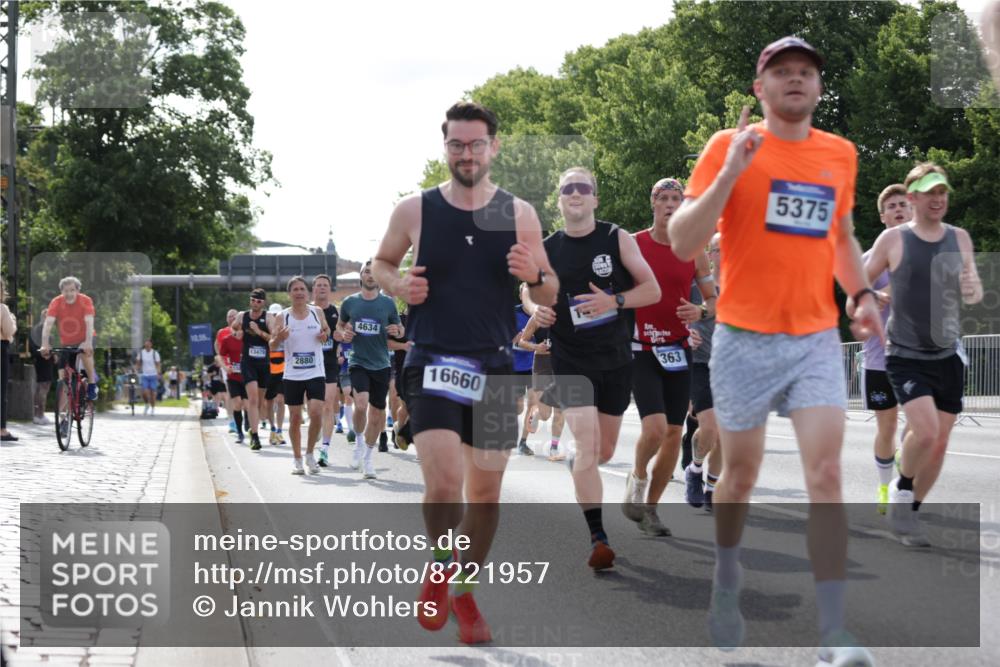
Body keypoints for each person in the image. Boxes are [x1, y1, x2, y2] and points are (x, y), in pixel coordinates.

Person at [668, 36, 881, 663]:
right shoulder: (727, 147)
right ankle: (727, 578)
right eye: (781, 72)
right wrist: (732, 169)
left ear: (819, 88)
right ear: (760, 89)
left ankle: (834, 632)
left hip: (816, 336)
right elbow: (684, 241)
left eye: (807, 72)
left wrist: (862, 292)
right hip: (742, 337)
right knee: (740, 475)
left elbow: (840, 234)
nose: (795, 80)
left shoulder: (840, 154)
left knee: (827, 474)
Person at [372, 101, 557, 644]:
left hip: (495, 364)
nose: (467, 153)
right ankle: (438, 564)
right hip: (432, 358)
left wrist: (537, 274)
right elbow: (382, 263)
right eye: (457, 144)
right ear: (445, 147)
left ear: (494, 147)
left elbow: (548, 290)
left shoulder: (519, 213)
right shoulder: (416, 210)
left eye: (477, 144)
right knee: (445, 481)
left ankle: (466, 591)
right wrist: (398, 285)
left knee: (486, 495)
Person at [524, 166, 660, 568]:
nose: (576, 194)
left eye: (584, 188)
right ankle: (598, 537)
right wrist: (537, 310)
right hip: (570, 357)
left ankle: (577, 462)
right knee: (585, 442)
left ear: (595, 198)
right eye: (568, 188)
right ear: (560, 199)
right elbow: (527, 291)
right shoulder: (547, 248)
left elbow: (651, 289)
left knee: (602, 451)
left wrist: (614, 302)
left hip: (616, 358)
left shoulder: (616, 237)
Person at [863, 163, 982, 547]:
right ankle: (900, 488)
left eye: (942, 191)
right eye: (929, 192)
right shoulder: (893, 240)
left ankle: (910, 511)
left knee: (939, 442)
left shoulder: (959, 237)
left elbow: (974, 293)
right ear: (912, 197)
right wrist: (866, 301)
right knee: (925, 430)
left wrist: (970, 286)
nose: (938, 199)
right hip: (904, 353)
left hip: (947, 353)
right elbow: (858, 283)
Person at [623, 177, 715, 536]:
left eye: (677, 198)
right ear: (654, 203)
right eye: (664, 198)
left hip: (677, 349)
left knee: (675, 432)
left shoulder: (694, 249)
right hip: (640, 347)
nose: (671, 204)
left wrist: (700, 312)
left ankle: (651, 510)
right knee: (655, 427)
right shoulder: (632, 244)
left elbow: (712, 301)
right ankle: (638, 476)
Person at [848, 184, 912, 514]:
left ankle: (905, 484)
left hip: (919, 357)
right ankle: (884, 485)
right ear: (883, 215)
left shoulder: (928, 253)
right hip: (880, 360)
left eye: (904, 203)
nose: (900, 209)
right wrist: (870, 298)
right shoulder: (869, 259)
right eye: (893, 206)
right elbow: (849, 306)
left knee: (918, 425)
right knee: (886, 427)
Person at [337, 261, 403, 479]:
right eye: (367, 271)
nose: (370, 274)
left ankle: (367, 457)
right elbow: (339, 327)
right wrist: (343, 333)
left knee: (377, 414)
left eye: (374, 271)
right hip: (358, 361)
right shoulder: (350, 302)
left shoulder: (388, 304)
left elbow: (399, 329)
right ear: (362, 276)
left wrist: (398, 330)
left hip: (381, 363)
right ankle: (357, 441)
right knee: (361, 403)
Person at [270, 276, 331, 475]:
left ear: (307, 293)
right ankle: (297, 458)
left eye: (302, 289)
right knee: (295, 418)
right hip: (293, 375)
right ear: (290, 294)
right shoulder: (283, 317)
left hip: (316, 371)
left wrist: (325, 335)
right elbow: (272, 345)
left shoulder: (317, 312)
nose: (299, 292)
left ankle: (310, 454)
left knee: (316, 413)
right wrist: (279, 337)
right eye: (295, 289)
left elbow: (326, 330)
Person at [683, 233, 724, 512]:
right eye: (721, 250)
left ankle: (711, 488)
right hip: (700, 363)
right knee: (708, 427)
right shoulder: (695, 285)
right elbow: (673, 313)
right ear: (709, 254)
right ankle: (694, 470)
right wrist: (685, 333)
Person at [514, 306, 566, 460]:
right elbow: (522, 341)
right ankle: (536, 414)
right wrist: (536, 346)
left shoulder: (567, 316)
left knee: (559, 410)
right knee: (545, 414)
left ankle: (554, 448)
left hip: (563, 364)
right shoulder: (538, 316)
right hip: (542, 364)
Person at [39, 276, 99, 401]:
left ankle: (92, 384)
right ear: (61, 291)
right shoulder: (56, 302)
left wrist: (88, 342)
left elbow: (89, 322)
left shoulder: (86, 300)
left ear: (78, 290)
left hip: (86, 337)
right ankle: (66, 412)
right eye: (66, 291)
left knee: (84, 352)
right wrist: (44, 344)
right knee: (65, 374)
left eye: (72, 290)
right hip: (68, 341)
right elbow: (48, 324)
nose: (69, 294)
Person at [231, 288, 272, 451]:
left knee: (260, 403)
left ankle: (253, 428)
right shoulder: (242, 315)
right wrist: (237, 332)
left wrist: (259, 331)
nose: (255, 303)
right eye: (253, 300)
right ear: (250, 301)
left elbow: (273, 338)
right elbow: (233, 327)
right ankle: (255, 436)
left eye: (259, 301)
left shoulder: (268, 317)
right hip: (248, 362)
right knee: (253, 399)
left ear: (263, 303)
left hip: (264, 363)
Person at [311, 274, 342, 466]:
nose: (322, 288)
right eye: (319, 285)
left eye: (325, 285)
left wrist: (340, 338)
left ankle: (325, 448)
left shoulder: (336, 312)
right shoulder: (306, 312)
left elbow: (343, 334)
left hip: (329, 363)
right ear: (313, 289)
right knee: (315, 408)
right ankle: (316, 431)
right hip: (309, 364)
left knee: (329, 404)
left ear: (329, 289)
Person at [512, 301, 536, 456]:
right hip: (516, 366)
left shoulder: (541, 314)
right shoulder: (514, 313)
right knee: (518, 408)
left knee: (533, 404)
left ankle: (523, 442)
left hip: (534, 366)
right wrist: (517, 339)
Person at [219, 325, 247, 444]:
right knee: (237, 403)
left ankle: (248, 420)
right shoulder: (227, 340)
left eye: (241, 329)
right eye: (235, 330)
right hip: (233, 377)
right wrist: (225, 367)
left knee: (247, 405)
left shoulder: (249, 339)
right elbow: (220, 356)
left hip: (248, 377)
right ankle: (239, 432)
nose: (238, 332)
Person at [265, 303, 287, 445]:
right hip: (269, 368)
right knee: (269, 400)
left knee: (281, 400)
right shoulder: (266, 329)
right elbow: (269, 343)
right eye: (273, 315)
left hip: (283, 368)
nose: (275, 317)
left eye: (277, 315)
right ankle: (272, 429)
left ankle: (279, 430)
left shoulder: (286, 328)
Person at [30, 308, 55, 425]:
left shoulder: (49, 331)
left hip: (48, 363)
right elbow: (33, 348)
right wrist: (42, 353)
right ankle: (38, 415)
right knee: (41, 389)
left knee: (45, 388)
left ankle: (41, 414)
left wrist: (54, 354)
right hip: (41, 362)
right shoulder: (37, 330)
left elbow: (52, 346)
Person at [215, 309, 238, 433]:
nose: (232, 318)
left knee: (244, 394)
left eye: (234, 316)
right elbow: (218, 350)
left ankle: (244, 416)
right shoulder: (222, 332)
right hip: (228, 367)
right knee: (230, 393)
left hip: (241, 366)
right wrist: (223, 365)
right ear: (226, 319)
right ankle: (232, 421)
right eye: (229, 316)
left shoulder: (243, 331)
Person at [0, 279, 17, 442]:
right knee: (1, 389)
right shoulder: (2, 308)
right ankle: (2, 430)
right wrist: (12, 320)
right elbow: (9, 331)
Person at [136, 339, 162, 415]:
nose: (147, 346)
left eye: (148, 345)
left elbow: (158, 364)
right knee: (144, 392)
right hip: (145, 375)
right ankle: (147, 404)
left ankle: (153, 408)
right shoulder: (141, 353)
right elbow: (138, 363)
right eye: (145, 345)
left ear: (151, 345)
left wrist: (158, 373)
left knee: (153, 394)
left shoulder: (155, 353)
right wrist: (136, 370)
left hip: (153, 375)